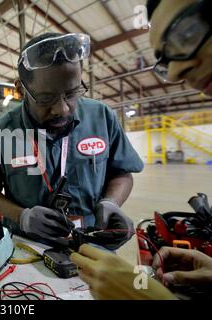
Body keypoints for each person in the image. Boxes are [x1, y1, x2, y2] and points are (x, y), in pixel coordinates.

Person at [70, 0, 212, 299]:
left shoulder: (101, 115)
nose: (174, 74)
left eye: (186, 32)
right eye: (164, 60)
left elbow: (124, 171)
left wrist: (145, 297)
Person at [0, 32, 143, 249]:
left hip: (93, 244)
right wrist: (22, 216)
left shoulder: (102, 117)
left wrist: (111, 202)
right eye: (45, 98)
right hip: (28, 250)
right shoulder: (0, 133)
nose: (62, 109)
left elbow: (122, 174)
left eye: (72, 94)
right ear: (20, 90)